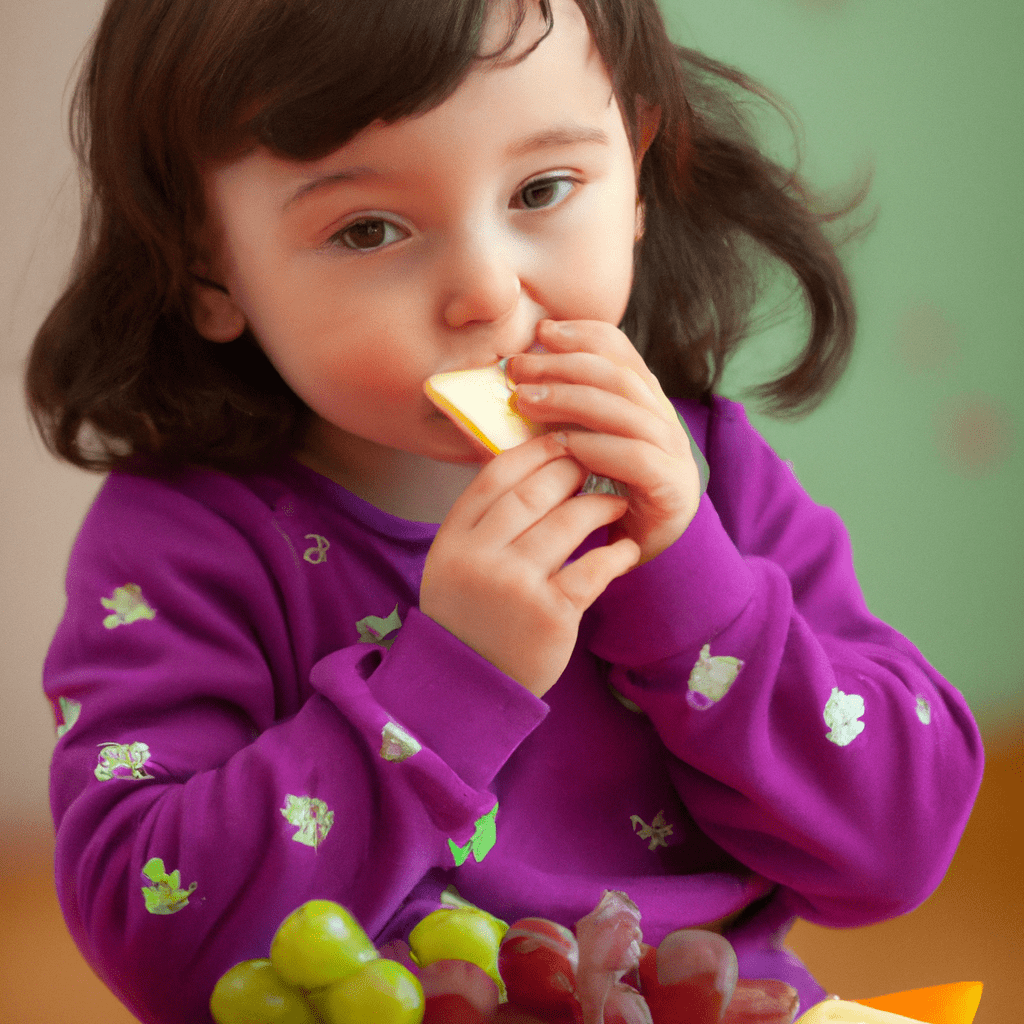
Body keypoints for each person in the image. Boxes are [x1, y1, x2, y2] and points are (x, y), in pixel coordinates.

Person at [27, 0, 984, 1021]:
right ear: (207, 263)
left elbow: (894, 852)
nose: (485, 291)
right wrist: (446, 683)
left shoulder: (705, 478)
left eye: (541, 188)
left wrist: (689, 585)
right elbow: (156, 938)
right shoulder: (185, 542)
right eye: (367, 228)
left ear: (635, 172)